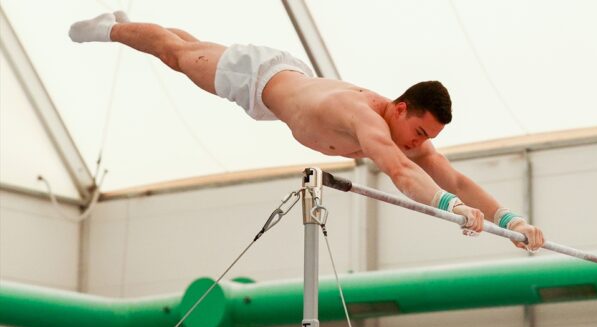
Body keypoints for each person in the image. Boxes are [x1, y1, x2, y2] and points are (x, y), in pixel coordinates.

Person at [69, 11, 545, 251]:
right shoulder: (370, 120)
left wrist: (511, 221)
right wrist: (451, 209)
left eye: (426, 138)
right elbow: (401, 172)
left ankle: (131, 26)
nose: (420, 144)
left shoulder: (407, 135)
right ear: (399, 108)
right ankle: (111, 28)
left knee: (188, 47)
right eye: (419, 131)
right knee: (174, 54)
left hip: (286, 82)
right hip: (256, 79)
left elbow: (456, 179)